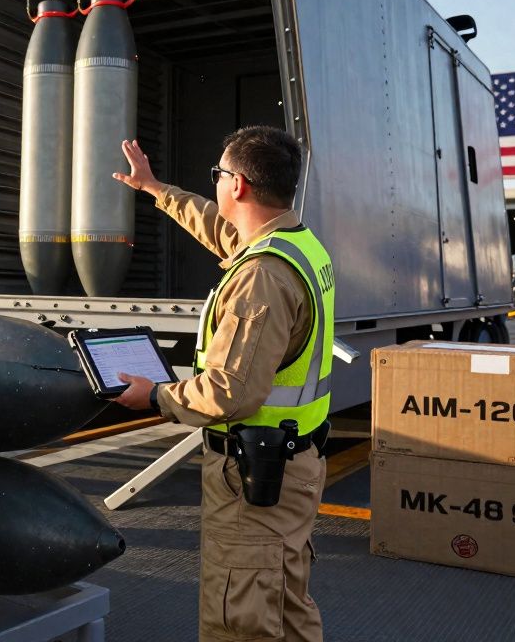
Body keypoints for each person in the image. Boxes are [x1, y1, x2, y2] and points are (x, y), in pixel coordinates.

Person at [111, 127, 334, 642]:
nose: (215, 187)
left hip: (257, 479)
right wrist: (154, 188)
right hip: (292, 465)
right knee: (285, 602)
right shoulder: (296, 244)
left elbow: (230, 391)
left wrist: (157, 396)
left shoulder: (263, 276)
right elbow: (217, 227)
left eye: (218, 175)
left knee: (241, 619)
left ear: (238, 186)